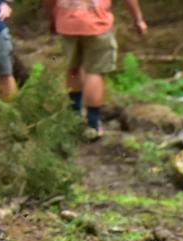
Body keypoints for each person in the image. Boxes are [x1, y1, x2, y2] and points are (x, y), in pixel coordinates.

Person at [44, 0, 147, 140]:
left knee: (73, 69)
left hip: (67, 23)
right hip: (96, 23)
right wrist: (138, 19)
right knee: (94, 72)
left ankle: (74, 117)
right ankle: (92, 123)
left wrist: (53, 19)